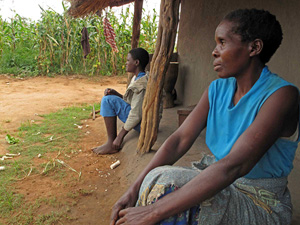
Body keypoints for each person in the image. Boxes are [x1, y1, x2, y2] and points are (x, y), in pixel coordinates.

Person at [110, 9, 300, 225]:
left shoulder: (282, 96)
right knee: (153, 180)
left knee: (165, 188)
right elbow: (179, 140)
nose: (214, 51)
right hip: (224, 183)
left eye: (222, 42)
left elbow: (234, 166)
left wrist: (153, 212)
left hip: (260, 201)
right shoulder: (217, 89)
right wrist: (133, 189)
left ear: (254, 47)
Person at [92, 48, 149, 155]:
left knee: (107, 100)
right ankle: (110, 142)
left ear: (136, 62)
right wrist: (116, 94)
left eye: (128, 60)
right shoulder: (139, 78)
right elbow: (134, 103)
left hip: (143, 124)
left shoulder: (140, 85)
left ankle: (111, 143)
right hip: (143, 120)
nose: (126, 63)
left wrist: (120, 137)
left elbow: (136, 114)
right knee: (111, 98)